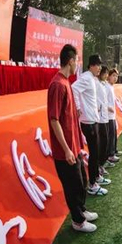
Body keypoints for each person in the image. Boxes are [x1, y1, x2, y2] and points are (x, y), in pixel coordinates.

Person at [47, 44, 98, 233]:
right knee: (73, 186)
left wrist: (78, 141)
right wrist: (67, 149)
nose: (77, 64)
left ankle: (81, 211)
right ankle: (78, 221)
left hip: (74, 147)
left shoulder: (67, 82)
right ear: (70, 61)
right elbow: (54, 120)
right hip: (65, 152)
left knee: (81, 181)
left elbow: (68, 118)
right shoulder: (57, 85)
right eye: (77, 60)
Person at [71, 54, 109, 196]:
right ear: (91, 66)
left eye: (100, 65)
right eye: (97, 65)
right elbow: (73, 88)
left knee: (96, 152)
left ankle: (96, 177)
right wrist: (78, 107)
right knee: (94, 153)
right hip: (88, 122)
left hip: (94, 119)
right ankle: (92, 185)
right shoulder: (86, 78)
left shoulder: (92, 78)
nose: (99, 68)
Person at [105, 68, 122, 162]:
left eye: (116, 76)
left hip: (112, 115)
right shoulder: (106, 87)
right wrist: (108, 107)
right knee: (111, 135)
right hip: (108, 116)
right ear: (108, 76)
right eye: (113, 76)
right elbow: (102, 100)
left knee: (114, 134)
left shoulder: (111, 86)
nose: (115, 78)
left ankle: (114, 151)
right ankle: (110, 155)